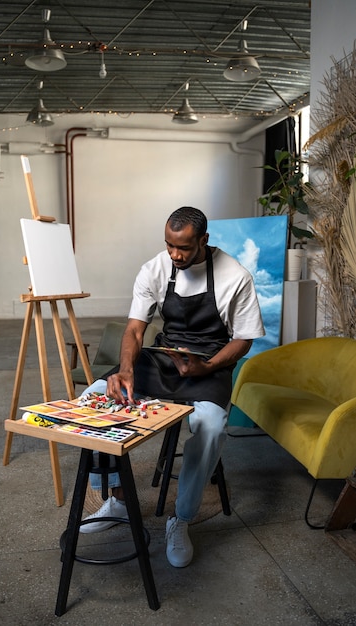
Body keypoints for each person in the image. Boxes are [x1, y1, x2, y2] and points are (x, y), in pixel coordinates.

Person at [78, 206, 265, 568]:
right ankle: (116, 495)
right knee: (91, 399)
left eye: (183, 248)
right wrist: (127, 370)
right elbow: (135, 328)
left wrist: (208, 365)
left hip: (210, 363)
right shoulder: (155, 268)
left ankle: (181, 519)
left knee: (209, 426)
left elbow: (243, 340)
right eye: (169, 245)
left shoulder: (234, 276)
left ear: (204, 241)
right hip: (163, 358)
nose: (175, 255)